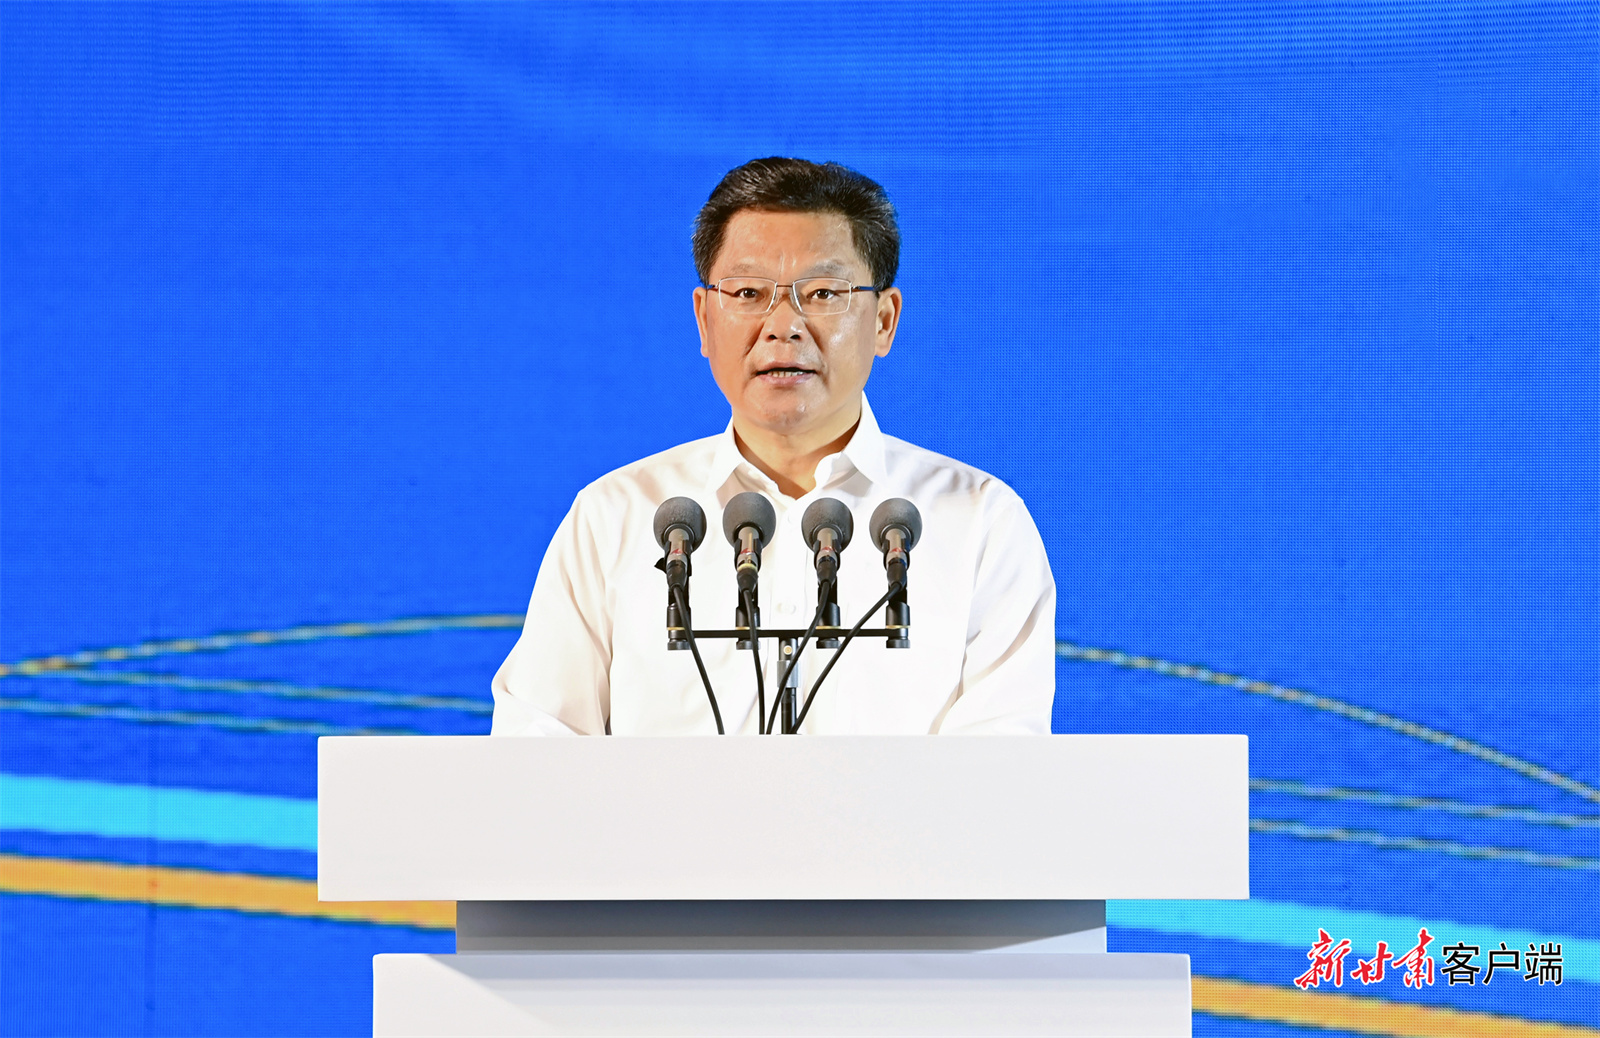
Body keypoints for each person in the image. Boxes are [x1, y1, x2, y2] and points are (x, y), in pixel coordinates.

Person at [491, 158, 1055, 736]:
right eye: (748, 292)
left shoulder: (980, 524)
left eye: (823, 292)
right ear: (704, 320)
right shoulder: (614, 519)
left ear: (884, 322)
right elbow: (534, 754)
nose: (783, 325)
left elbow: (1002, 772)